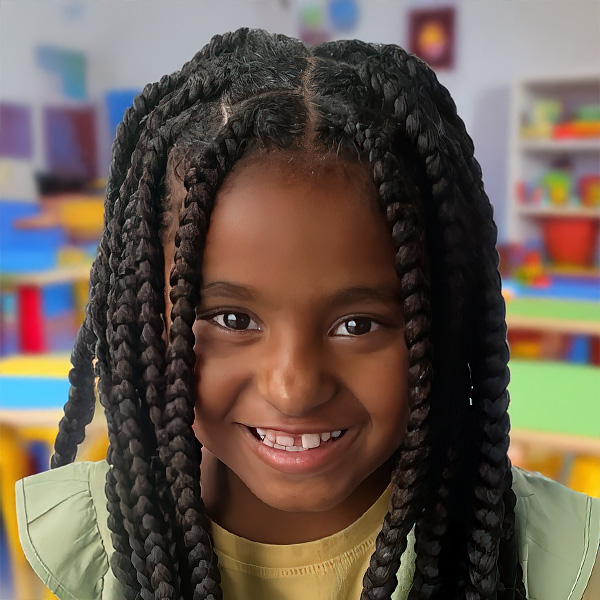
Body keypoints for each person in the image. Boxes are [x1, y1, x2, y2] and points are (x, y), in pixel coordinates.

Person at [16, 28, 599, 600]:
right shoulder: (79, 553)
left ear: (441, 325)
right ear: (150, 323)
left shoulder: (558, 564)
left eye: (357, 325)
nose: (293, 388)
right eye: (231, 320)